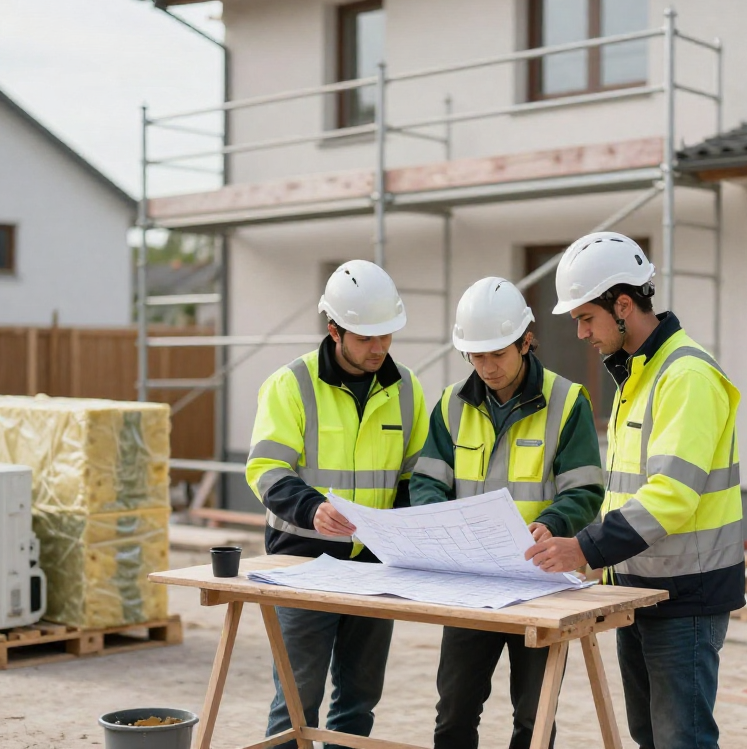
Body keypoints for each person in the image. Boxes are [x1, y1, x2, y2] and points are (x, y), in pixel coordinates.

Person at [524, 233, 745, 749]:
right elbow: (627, 491)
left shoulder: (685, 375)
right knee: (649, 735)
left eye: (587, 318)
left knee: (681, 740)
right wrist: (589, 550)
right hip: (639, 590)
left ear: (623, 305)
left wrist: (586, 547)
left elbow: (671, 494)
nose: (581, 332)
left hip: (686, 596)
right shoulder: (637, 374)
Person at [410, 276, 604, 749]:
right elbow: (427, 481)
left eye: (497, 354)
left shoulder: (567, 402)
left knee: (534, 717)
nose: (487, 367)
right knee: (454, 712)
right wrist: (439, 521)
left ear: (526, 341)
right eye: (476, 356)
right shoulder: (451, 405)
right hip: (470, 583)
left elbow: (585, 489)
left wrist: (553, 524)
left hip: (539, 582)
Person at [245, 259, 428, 749]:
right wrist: (312, 509)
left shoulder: (406, 387)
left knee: (359, 698)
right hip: (302, 565)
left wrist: (401, 527)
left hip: (377, 566)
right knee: (296, 701)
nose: (379, 348)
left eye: (386, 335)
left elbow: (415, 475)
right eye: (366, 338)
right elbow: (266, 470)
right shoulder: (291, 384)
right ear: (334, 330)